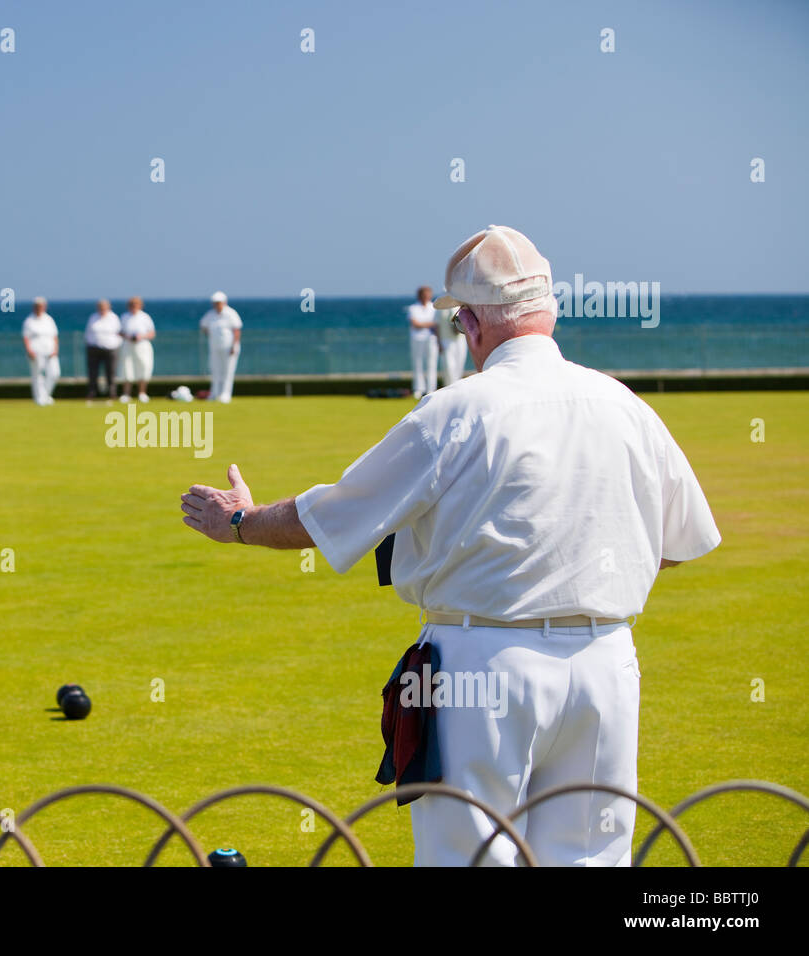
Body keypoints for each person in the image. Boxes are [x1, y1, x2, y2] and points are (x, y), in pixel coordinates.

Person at [180, 225, 721, 867]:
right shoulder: (626, 406)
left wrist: (240, 521)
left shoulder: (457, 410)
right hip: (607, 660)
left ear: (469, 322)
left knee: (466, 859)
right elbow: (682, 541)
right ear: (548, 310)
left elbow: (331, 517)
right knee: (591, 861)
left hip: (482, 660)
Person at [199, 292, 242, 403]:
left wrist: (234, 345)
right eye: (215, 303)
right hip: (214, 348)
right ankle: (214, 393)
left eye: (218, 303)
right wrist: (211, 335)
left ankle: (226, 394)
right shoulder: (210, 314)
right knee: (215, 371)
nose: (216, 305)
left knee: (228, 371)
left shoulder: (231, 313)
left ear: (224, 302)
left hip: (229, 348)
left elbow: (237, 330)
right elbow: (203, 326)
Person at [22, 297, 60, 406]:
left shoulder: (49, 319)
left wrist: (55, 349)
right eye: (37, 306)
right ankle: (39, 398)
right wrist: (29, 350)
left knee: (54, 373)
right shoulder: (29, 321)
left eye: (41, 306)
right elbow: (25, 337)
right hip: (36, 351)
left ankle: (46, 395)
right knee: (37, 375)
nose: (39, 308)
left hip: (50, 351)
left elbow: (54, 336)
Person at [118, 296, 156, 403]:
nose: (133, 307)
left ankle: (142, 393)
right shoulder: (124, 317)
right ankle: (126, 394)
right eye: (131, 305)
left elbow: (152, 333)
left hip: (142, 345)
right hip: (128, 345)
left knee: (144, 367)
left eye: (135, 305)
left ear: (140, 306)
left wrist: (141, 336)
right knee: (127, 368)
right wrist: (128, 337)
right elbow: (120, 332)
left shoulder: (145, 317)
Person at [84, 299, 122, 402]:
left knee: (111, 372)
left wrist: (116, 345)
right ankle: (92, 392)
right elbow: (88, 332)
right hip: (94, 348)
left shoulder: (114, 318)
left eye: (104, 307)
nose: (102, 309)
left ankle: (112, 393)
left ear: (108, 307)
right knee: (92, 372)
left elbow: (119, 333)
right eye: (100, 307)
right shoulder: (93, 317)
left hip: (111, 349)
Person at [407, 285, 439, 399]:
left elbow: (436, 324)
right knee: (418, 363)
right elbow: (415, 324)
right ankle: (418, 389)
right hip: (417, 339)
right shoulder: (413, 308)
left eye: (428, 294)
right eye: (424, 294)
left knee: (432, 363)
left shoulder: (434, 307)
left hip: (431, 339)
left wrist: (423, 324)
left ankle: (431, 389)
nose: (426, 296)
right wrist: (429, 324)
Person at [436, 304, 468, 386]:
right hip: (446, 340)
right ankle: (450, 387)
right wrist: (438, 342)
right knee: (448, 367)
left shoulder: (460, 305)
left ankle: (457, 387)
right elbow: (437, 326)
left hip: (460, 340)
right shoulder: (440, 307)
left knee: (459, 366)